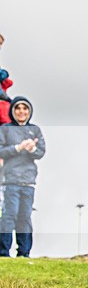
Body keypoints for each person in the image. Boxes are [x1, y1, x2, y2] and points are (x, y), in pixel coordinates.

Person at [0, 97, 46, 257]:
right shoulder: (5, 129)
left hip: (28, 182)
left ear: (29, 111)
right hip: (10, 181)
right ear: (13, 111)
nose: (21, 112)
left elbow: (41, 152)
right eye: (18, 108)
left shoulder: (35, 130)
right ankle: (3, 252)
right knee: (9, 215)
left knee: (24, 217)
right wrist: (17, 148)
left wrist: (32, 149)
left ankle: (24, 253)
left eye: (25, 108)